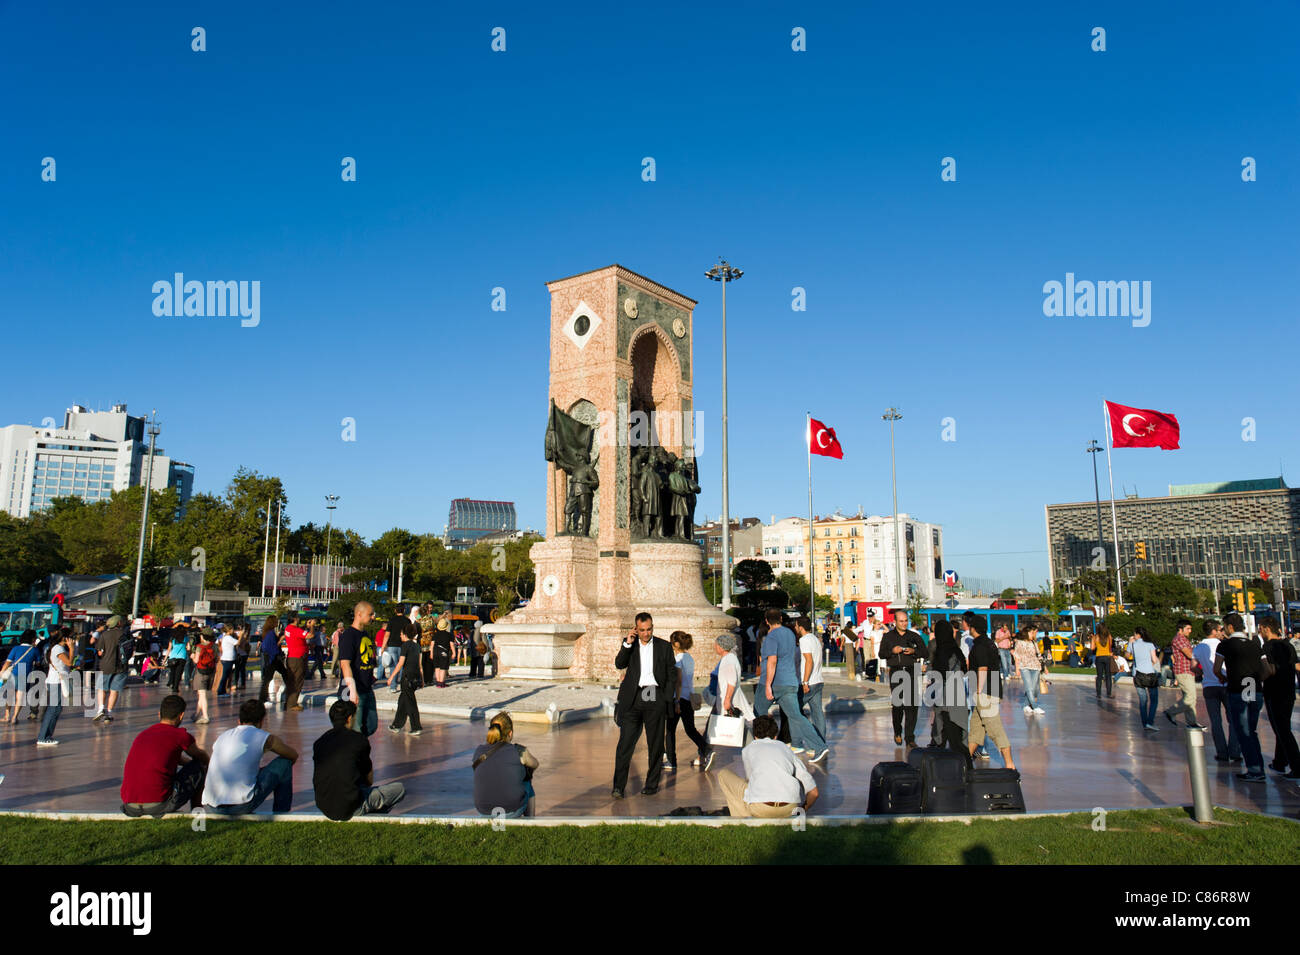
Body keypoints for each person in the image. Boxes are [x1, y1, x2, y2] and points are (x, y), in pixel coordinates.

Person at [611, 612, 675, 798]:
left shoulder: (664, 646)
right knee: (625, 744)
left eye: (649, 629)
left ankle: (652, 784)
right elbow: (619, 663)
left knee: (655, 743)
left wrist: (666, 697)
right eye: (642, 630)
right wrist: (627, 643)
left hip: (654, 695)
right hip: (634, 697)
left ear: (652, 627)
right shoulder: (630, 645)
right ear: (636, 629)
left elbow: (671, 673)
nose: (646, 633)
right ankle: (618, 787)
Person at [313, 699, 406, 820]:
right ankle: (372, 816)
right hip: (351, 806)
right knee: (399, 789)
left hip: (324, 805)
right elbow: (369, 779)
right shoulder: (358, 740)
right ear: (350, 718)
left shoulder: (319, 742)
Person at [756, 608, 828, 761]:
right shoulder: (790, 634)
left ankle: (761, 747)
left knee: (758, 712)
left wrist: (768, 684)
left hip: (773, 681)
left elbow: (772, 661)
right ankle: (819, 746)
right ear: (781, 619)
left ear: (767, 621)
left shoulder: (771, 637)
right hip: (790, 682)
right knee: (796, 716)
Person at [121, 694, 210, 816]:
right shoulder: (180, 736)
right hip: (158, 804)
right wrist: (207, 765)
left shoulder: (143, 735)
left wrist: (186, 763)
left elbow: (168, 756)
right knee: (199, 768)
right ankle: (198, 815)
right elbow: (201, 757)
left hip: (130, 805)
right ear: (181, 715)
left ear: (159, 714)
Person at [203, 700, 297, 814]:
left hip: (210, 806)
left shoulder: (223, 736)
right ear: (262, 721)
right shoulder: (264, 737)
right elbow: (292, 755)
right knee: (284, 763)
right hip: (240, 806)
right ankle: (282, 813)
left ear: (239, 720)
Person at [716, 715, 820, 818]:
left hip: (761, 808)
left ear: (755, 736)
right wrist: (803, 809)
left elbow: (750, 780)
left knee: (723, 774)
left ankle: (742, 819)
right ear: (775, 736)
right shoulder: (786, 749)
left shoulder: (748, 749)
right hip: (789, 809)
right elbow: (814, 792)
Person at [1214, 613, 1266, 782]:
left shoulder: (1225, 645)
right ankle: (1258, 767)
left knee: (1244, 732)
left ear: (1229, 627)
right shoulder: (1255, 644)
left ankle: (1255, 770)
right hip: (1254, 688)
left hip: (1238, 690)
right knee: (1252, 730)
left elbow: (1216, 669)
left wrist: (1226, 678)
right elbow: (1266, 669)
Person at [966, 617, 1015, 770]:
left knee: (995, 729)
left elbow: (983, 668)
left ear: (973, 628)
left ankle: (1009, 764)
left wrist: (979, 690)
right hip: (991, 689)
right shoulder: (989, 643)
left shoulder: (980, 646)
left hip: (985, 692)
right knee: (976, 729)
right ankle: (966, 762)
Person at [472, 712, 540, 818]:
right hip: (511, 810)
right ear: (510, 733)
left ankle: (493, 826)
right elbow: (535, 764)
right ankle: (529, 823)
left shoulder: (478, 751)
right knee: (527, 784)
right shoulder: (519, 751)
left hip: (483, 810)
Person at [879, 609, 926, 749]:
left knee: (912, 706)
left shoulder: (914, 636)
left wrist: (914, 651)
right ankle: (897, 731)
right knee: (898, 704)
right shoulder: (888, 637)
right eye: (901, 621)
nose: (904, 623)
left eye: (906, 620)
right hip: (896, 672)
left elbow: (925, 652)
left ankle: (910, 737)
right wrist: (892, 651)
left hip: (911, 671)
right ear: (895, 622)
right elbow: (881, 654)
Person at [1193, 619, 1239, 763]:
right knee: (1233, 720)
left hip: (1209, 686)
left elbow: (1193, 667)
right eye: (1219, 630)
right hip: (1226, 685)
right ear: (1213, 631)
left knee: (1216, 721)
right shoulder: (1223, 645)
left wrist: (1202, 673)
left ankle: (1222, 752)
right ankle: (1235, 751)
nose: (1221, 632)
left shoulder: (1199, 647)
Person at [1260, 617, 1300, 778]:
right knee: (1281, 727)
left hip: (1274, 692)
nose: (1259, 632)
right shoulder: (1288, 645)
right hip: (1288, 692)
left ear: (1266, 629)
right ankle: (1279, 761)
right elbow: (1296, 666)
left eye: (1260, 629)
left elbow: (1269, 670)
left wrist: (1257, 678)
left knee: (1282, 730)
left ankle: (1296, 766)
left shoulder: (1267, 647)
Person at [664, 631, 710, 772]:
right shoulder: (689, 657)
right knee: (690, 729)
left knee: (670, 731)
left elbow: (678, 682)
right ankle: (706, 749)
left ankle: (671, 761)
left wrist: (676, 701)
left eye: (672, 642)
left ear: (676, 644)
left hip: (679, 698)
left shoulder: (678, 659)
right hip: (688, 697)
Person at [927, 619, 968, 751]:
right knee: (958, 719)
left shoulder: (935, 646)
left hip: (941, 686)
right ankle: (962, 746)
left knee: (940, 715)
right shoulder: (955, 647)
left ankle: (938, 743)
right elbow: (964, 668)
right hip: (957, 686)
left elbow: (934, 667)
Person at [338, 601, 378, 737]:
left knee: (371, 725)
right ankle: (352, 755)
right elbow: (345, 664)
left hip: (366, 687)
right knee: (355, 730)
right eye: (370, 614)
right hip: (352, 689)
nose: (373, 617)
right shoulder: (349, 636)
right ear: (359, 614)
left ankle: (359, 751)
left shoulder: (365, 634)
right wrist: (352, 691)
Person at [36, 630, 75, 746]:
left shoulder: (57, 648)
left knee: (55, 709)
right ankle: (43, 737)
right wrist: (72, 648)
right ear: (65, 638)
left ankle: (46, 736)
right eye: (71, 637)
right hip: (56, 682)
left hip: (56, 681)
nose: (73, 640)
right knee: (53, 709)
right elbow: (69, 663)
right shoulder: (58, 648)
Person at [1161, 618, 1202, 728]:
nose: (1190, 631)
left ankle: (1192, 722)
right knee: (1191, 697)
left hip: (1188, 671)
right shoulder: (1179, 639)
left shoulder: (1184, 639)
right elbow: (1189, 654)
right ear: (1180, 629)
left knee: (1189, 698)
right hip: (1183, 671)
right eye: (1188, 629)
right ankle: (1171, 711)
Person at [386, 620, 423, 736]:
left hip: (407, 677)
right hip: (415, 676)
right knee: (403, 701)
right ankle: (396, 725)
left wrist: (391, 677)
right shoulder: (417, 646)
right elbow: (420, 664)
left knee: (410, 703)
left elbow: (400, 663)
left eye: (401, 634)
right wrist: (422, 679)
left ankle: (416, 727)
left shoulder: (405, 646)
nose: (400, 636)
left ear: (405, 635)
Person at [794, 616, 827, 744]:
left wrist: (805, 681)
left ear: (801, 627)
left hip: (810, 682)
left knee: (795, 711)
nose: (795, 628)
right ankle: (821, 741)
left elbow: (809, 660)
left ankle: (804, 741)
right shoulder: (814, 639)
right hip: (818, 680)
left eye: (796, 626)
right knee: (818, 714)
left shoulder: (804, 640)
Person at [93, 614, 129, 724]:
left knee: (102, 688)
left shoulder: (105, 634)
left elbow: (99, 652)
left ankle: (100, 709)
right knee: (114, 691)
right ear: (119, 623)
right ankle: (109, 713)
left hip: (106, 665)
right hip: (121, 667)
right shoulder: (126, 634)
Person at [2, 631, 41, 723]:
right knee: (20, 697)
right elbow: (38, 663)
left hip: (14, 673)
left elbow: (8, 662)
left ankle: (7, 716)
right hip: (25, 673)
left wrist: (2, 672)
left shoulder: (16, 648)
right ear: (32, 639)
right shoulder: (35, 650)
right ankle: (15, 717)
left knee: (10, 696)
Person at [1129, 625, 1162, 732]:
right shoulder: (1150, 645)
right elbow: (1154, 660)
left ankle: (1144, 723)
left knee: (1143, 700)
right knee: (1154, 700)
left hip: (1137, 675)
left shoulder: (1132, 645)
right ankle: (1150, 721)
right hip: (1149, 674)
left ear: (1138, 635)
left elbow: (1126, 655)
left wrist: (1130, 642)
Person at [1012, 625, 1045, 716]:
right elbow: (1017, 656)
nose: (1033, 634)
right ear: (1026, 633)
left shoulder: (1034, 642)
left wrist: (1044, 668)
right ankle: (1035, 706)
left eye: (1034, 633)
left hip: (1036, 666)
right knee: (1029, 687)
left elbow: (1038, 654)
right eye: (1032, 632)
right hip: (1024, 666)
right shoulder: (1019, 642)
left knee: (1035, 689)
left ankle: (1026, 705)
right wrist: (1017, 668)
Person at [257, 616, 290, 707]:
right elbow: (273, 646)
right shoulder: (270, 633)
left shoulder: (267, 633)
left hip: (272, 659)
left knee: (283, 674)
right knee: (267, 679)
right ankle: (262, 699)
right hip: (273, 659)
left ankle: (290, 691)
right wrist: (281, 639)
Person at [190, 627, 218, 724]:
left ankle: (205, 716)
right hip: (210, 671)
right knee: (201, 694)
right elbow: (217, 659)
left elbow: (196, 661)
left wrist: (193, 657)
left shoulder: (199, 646)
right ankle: (197, 714)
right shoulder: (214, 646)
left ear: (203, 636)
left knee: (202, 694)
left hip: (200, 672)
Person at [282, 612, 310, 711]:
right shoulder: (295, 630)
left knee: (291, 681)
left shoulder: (288, 629)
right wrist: (312, 627)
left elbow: (299, 634)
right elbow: (310, 636)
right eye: (298, 617)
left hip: (291, 657)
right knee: (297, 681)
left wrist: (305, 626)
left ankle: (288, 702)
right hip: (298, 658)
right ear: (294, 619)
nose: (299, 619)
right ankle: (292, 704)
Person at [382, 605, 411, 692]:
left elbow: (387, 634)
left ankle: (393, 687)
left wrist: (383, 646)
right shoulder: (407, 620)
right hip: (404, 645)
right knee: (402, 665)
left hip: (392, 645)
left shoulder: (391, 620)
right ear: (404, 610)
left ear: (395, 610)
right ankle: (403, 685)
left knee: (393, 666)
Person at [1093, 623, 1116, 699]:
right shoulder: (1109, 636)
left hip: (1099, 657)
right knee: (1108, 676)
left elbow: (1092, 648)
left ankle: (1098, 694)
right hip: (1107, 657)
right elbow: (1111, 645)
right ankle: (1109, 693)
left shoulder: (1095, 637)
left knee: (1099, 676)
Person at [431, 614, 454, 688]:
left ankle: (438, 682)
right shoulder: (449, 635)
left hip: (435, 651)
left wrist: (431, 653)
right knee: (443, 668)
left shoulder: (435, 634)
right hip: (443, 651)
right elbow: (452, 645)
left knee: (437, 667)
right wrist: (454, 652)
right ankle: (442, 682)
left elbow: (432, 645)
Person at [216, 625, 239, 696]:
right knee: (225, 676)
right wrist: (241, 636)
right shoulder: (228, 637)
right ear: (229, 630)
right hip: (227, 659)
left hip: (228, 658)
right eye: (232, 629)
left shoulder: (225, 637)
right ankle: (220, 691)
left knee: (226, 676)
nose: (233, 631)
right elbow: (238, 642)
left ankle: (222, 691)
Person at [234, 624, 252, 689]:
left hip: (241, 654)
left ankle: (237, 684)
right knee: (241, 669)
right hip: (243, 654)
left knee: (238, 670)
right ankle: (242, 684)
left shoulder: (243, 635)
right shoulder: (246, 635)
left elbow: (240, 644)